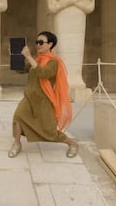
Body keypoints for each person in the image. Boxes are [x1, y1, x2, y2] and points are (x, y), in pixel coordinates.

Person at [8, 31, 78, 159]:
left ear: (50, 44)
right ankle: (17, 144)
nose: (38, 45)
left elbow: (44, 73)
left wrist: (29, 57)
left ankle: (72, 143)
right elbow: (22, 70)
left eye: (41, 42)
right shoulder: (38, 59)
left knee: (49, 131)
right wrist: (15, 57)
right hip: (29, 97)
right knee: (18, 117)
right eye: (37, 42)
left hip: (44, 100)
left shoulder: (54, 62)